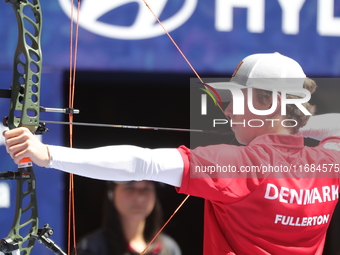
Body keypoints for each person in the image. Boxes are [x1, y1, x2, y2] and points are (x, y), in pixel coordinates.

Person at [3, 52, 340, 255]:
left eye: (236, 100)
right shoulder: (330, 162)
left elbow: (143, 162)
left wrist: (47, 153)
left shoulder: (242, 165)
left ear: (266, 103)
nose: (227, 111)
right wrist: (293, 124)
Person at [77, 180, 181, 255]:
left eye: (147, 188)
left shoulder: (169, 248)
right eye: (129, 187)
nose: (139, 197)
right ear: (111, 193)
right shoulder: (90, 248)